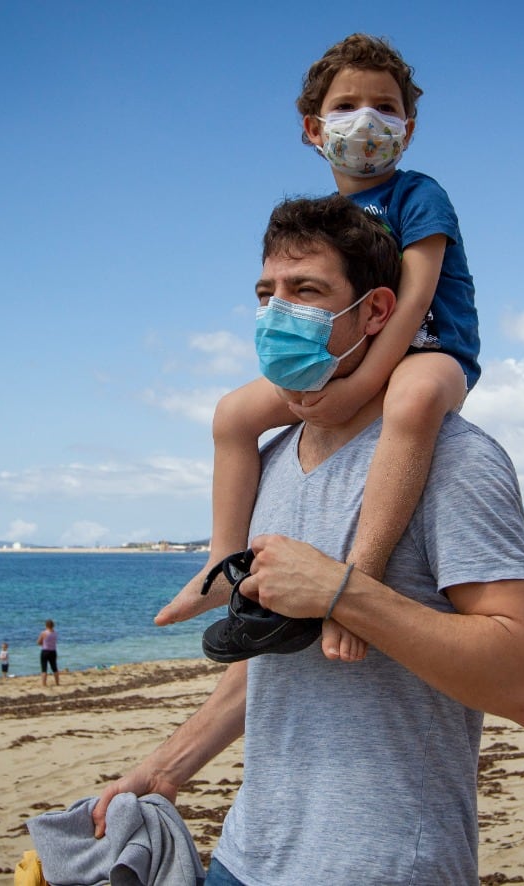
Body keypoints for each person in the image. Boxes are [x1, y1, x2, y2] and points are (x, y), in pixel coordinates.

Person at [91, 195, 524, 885]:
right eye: (266, 294)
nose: (278, 311)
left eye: (306, 291)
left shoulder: (456, 461)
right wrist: (167, 768)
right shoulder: (272, 458)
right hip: (245, 858)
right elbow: (282, 658)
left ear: (376, 312)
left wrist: (343, 592)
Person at [171, 33, 478, 665]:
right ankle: (222, 562)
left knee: (414, 401)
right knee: (233, 414)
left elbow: (414, 300)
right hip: (357, 353)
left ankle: (360, 578)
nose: (366, 120)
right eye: (346, 106)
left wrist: (357, 388)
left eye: (385, 107)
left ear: (409, 128)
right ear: (314, 128)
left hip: (432, 348)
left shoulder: (418, 195)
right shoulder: (330, 218)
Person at [38, 619, 59, 686]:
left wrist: (42, 643)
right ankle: (57, 683)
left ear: (46, 625)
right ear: (53, 625)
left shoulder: (43, 633)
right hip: (53, 651)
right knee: (54, 667)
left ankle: (44, 683)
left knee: (44, 668)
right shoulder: (55, 633)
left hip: (45, 651)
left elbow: (39, 642)